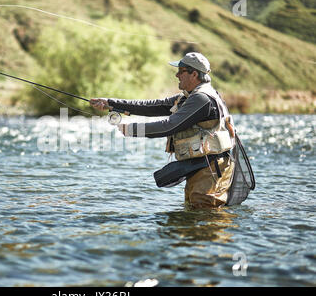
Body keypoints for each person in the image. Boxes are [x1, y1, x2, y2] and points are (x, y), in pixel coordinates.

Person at [90, 52, 236, 209]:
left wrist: (133, 129)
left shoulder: (202, 98)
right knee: (195, 212)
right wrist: (111, 103)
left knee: (206, 215)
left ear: (194, 74)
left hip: (211, 169)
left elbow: (170, 125)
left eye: (181, 71)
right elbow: (152, 106)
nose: (177, 75)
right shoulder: (188, 97)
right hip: (202, 166)